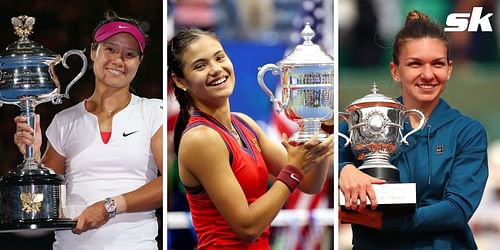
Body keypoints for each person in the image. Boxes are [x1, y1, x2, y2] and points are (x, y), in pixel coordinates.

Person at [167, 28, 333, 249]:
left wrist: (318, 128)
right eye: (200, 65)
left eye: (219, 58)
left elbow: (310, 183)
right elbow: (247, 228)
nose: (216, 69)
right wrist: (293, 169)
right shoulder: (201, 138)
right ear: (179, 81)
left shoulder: (244, 123)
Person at [338, 10, 489, 249]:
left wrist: (392, 222)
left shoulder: (468, 132)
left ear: (449, 69)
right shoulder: (368, 121)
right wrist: (344, 170)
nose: (428, 74)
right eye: (415, 64)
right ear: (395, 70)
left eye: (437, 64)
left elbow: (458, 209)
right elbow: (323, 159)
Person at [14, 11, 163, 250]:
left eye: (130, 54)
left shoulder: (154, 112)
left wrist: (109, 206)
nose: (118, 60)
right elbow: (44, 204)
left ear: (139, 62)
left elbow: (167, 184)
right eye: (110, 49)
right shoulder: (65, 120)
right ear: (94, 52)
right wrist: (32, 155)